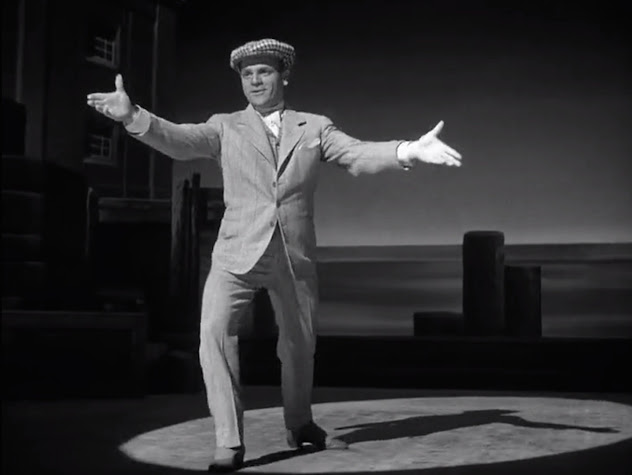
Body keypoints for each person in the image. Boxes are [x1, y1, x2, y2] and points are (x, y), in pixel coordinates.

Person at [87, 38, 462, 472]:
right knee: (213, 335)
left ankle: (300, 425)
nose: (255, 80)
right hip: (236, 252)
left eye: (264, 71)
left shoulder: (314, 127)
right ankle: (229, 441)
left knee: (300, 345)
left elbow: (356, 154)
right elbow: (180, 141)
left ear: (284, 76)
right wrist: (133, 116)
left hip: (292, 253)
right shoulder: (225, 126)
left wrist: (408, 150)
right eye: (247, 74)